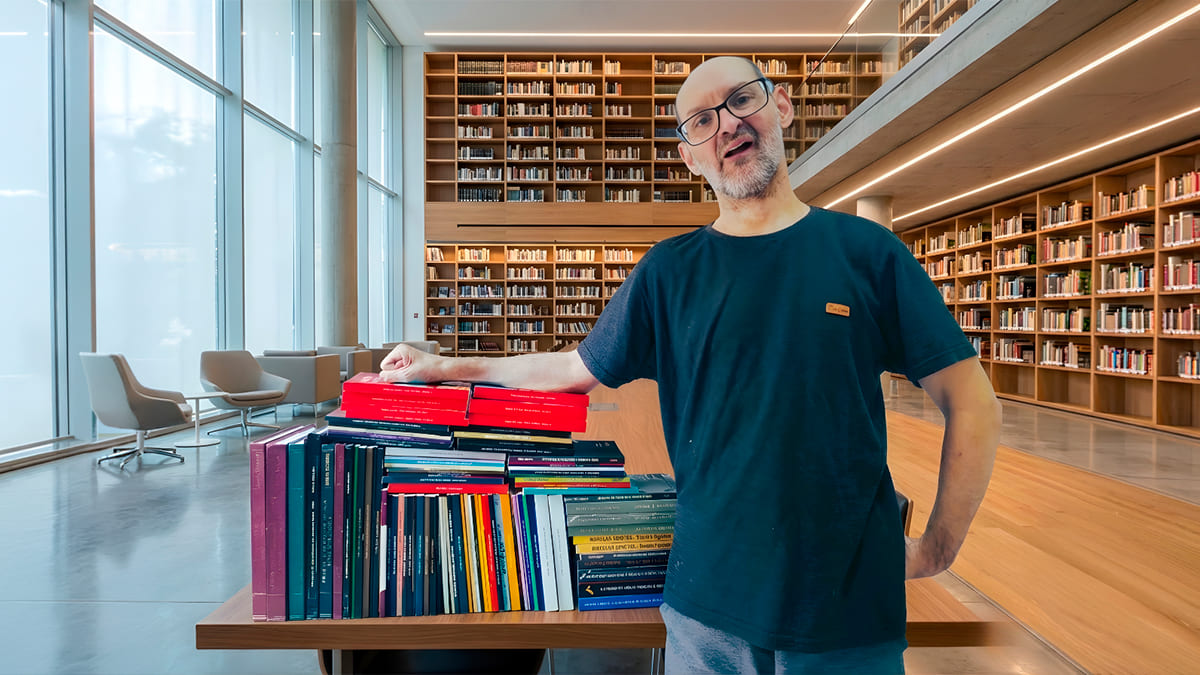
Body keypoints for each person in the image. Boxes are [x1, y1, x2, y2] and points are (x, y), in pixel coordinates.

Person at [381, 55, 1000, 674]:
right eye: (701, 121)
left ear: (780, 106)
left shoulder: (869, 253)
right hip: (708, 608)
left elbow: (972, 400)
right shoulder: (667, 273)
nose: (726, 125)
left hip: (846, 612)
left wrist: (939, 548)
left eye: (739, 101)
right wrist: (447, 367)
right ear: (690, 157)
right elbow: (572, 369)